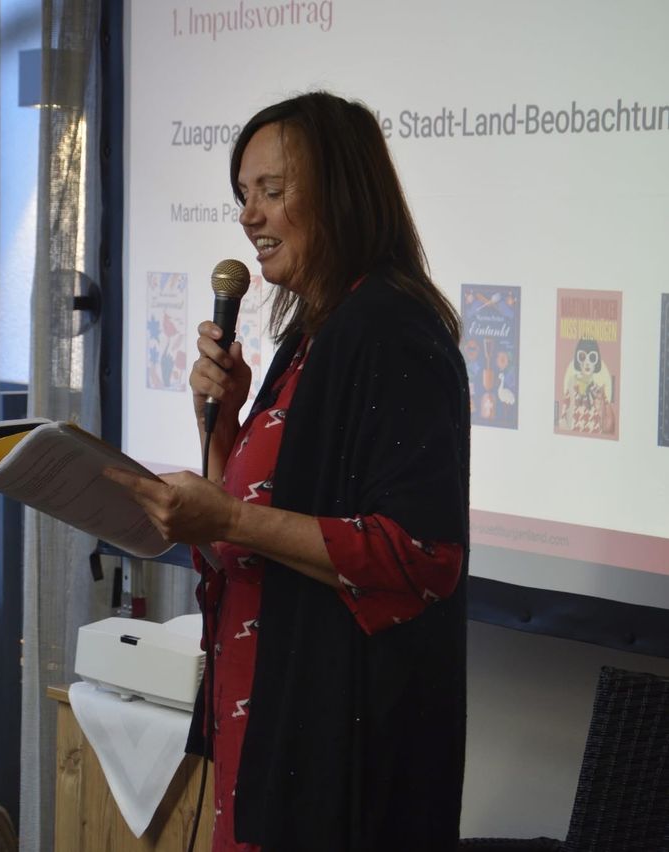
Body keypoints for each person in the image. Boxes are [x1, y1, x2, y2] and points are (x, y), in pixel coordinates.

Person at [105, 91, 470, 852]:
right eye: (243, 196)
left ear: (342, 191)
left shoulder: (391, 331)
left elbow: (422, 558)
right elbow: (241, 536)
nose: (249, 215)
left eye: (273, 190)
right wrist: (227, 427)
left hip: (345, 748)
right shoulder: (316, 334)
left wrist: (230, 517)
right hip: (267, 710)